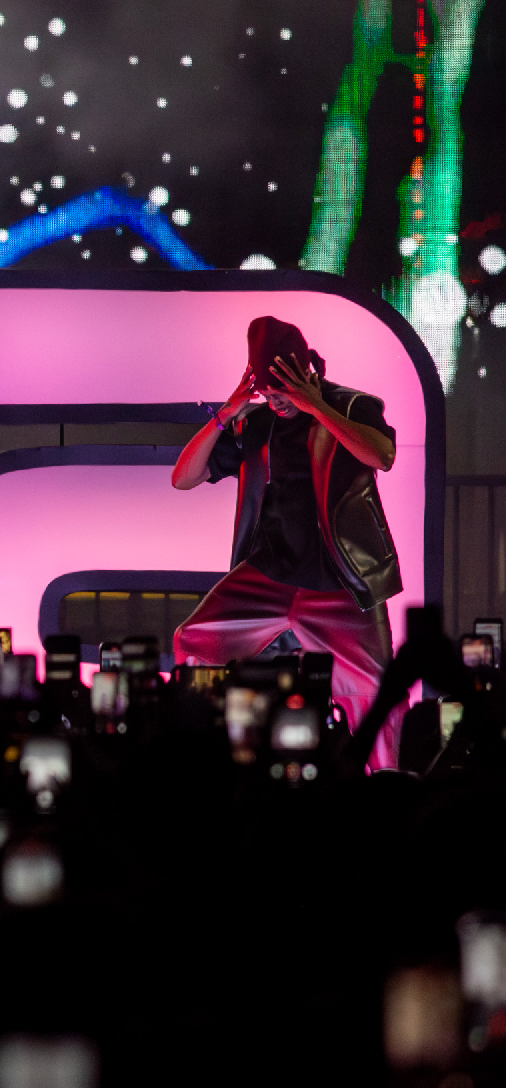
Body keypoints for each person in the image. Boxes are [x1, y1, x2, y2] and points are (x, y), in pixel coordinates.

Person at [169, 315, 403, 768]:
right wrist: (227, 413)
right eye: (267, 392)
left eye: (281, 391)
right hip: (269, 573)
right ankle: (204, 767)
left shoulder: (352, 406)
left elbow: (382, 455)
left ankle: (387, 792)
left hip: (341, 581)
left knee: (374, 691)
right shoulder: (257, 422)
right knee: (194, 642)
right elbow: (183, 478)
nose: (275, 401)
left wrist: (317, 407)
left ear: (306, 371)